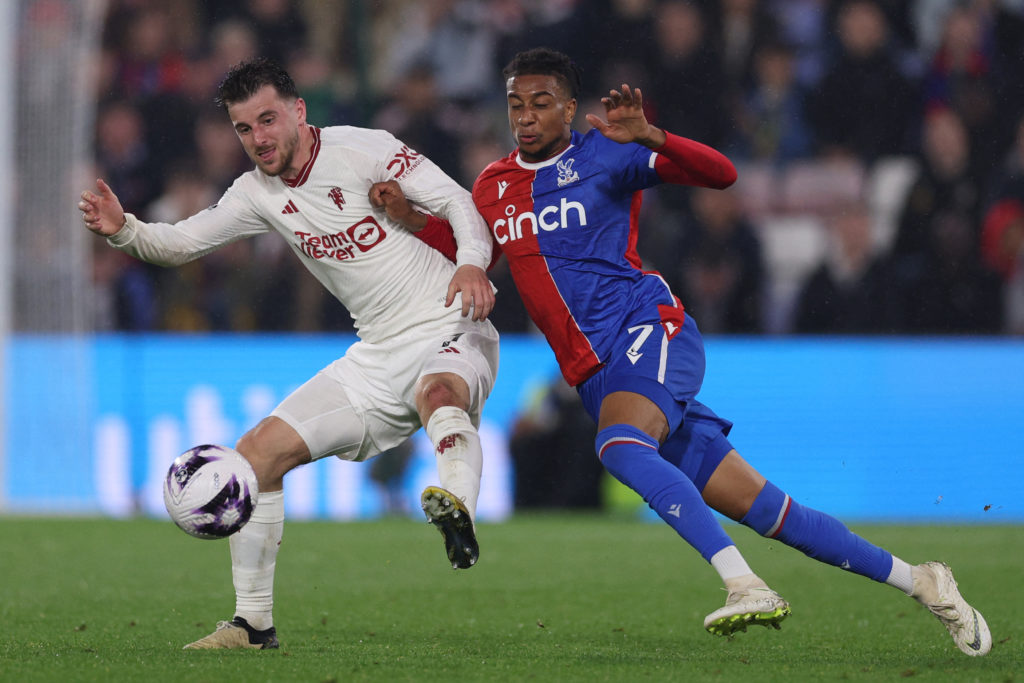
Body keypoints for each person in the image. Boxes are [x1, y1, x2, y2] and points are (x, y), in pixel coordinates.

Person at [373, 47, 991, 656]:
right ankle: (924, 582)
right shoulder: (494, 185)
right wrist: (405, 214)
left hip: (649, 330)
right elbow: (467, 248)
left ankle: (744, 584)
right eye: (515, 105)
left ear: (569, 109)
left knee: (618, 446)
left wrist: (654, 137)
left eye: (541, 103)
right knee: (772, 512)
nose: (526, 116)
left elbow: (722, 175)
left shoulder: (609, 155)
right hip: (599, 376)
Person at [78, 57, 499, 650]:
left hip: (454, 321)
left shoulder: (364, 148)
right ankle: (252, 625)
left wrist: (472, 264)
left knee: (439, 394)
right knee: (255, 459)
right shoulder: (256, 193)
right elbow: (179, 244)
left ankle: (459, 505)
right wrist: (125, 229)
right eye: (244, 128)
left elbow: (460, 203)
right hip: (376, 356)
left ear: (299, 112)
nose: (259, 139)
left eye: (268, 120)